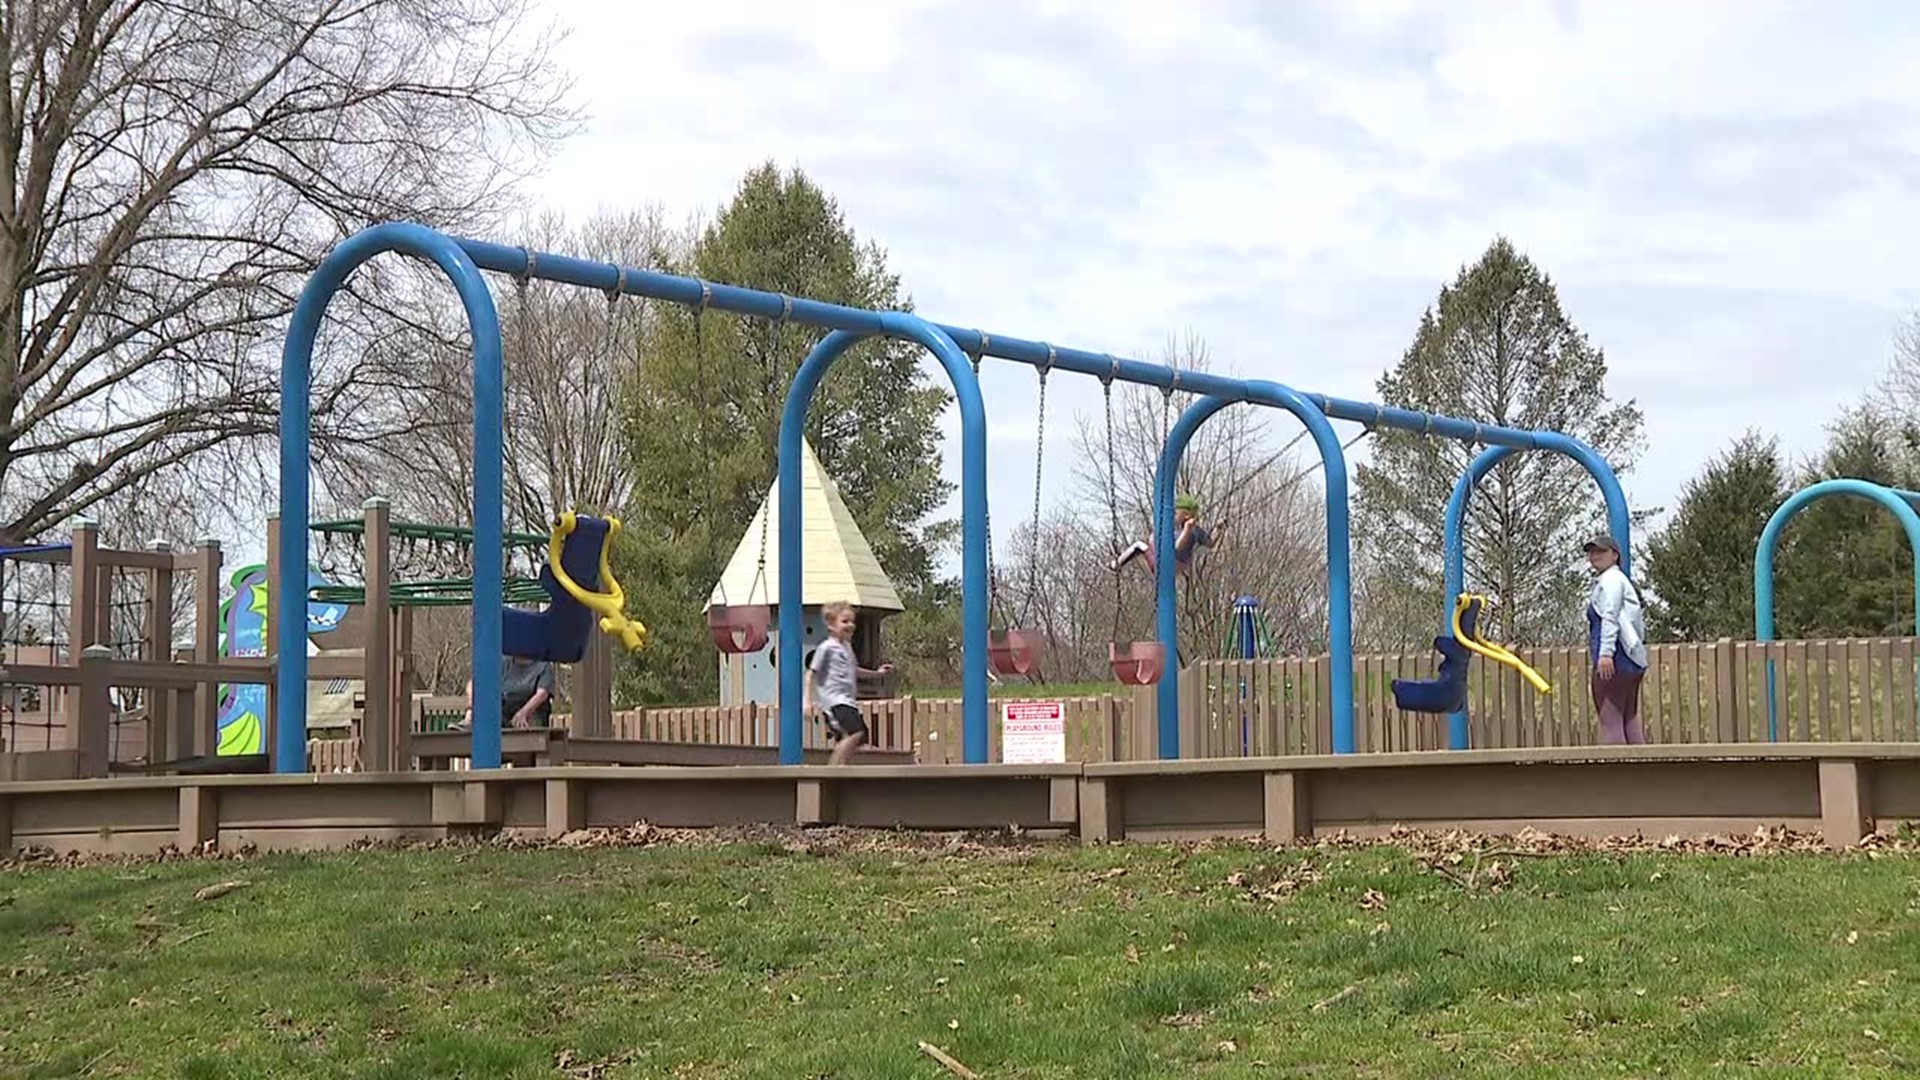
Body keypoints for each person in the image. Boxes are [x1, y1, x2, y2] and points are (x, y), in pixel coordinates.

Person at [804, 600, 894, 766]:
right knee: (855, 733)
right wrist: (807, 701)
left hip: (848, 702)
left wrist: (878, 673)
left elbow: (855, 670)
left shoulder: (846, 647)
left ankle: (840, 766)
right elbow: (811, 674)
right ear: (831, 624)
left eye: (852, 621)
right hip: (834, 702)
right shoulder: (826, 648)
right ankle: (834, 768)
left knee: (859, 737)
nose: (850, 625)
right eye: (845, 621)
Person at [1584, 533, 1649, 745]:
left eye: (1601, 551)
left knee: (1610, 717)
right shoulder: (1620, 580)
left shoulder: (1611, 581)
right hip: (1631, 658)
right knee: (1628, 718)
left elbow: (1610, 617)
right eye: (1592, 552)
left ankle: (1619, 773)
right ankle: (1641, 771)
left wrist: (1605, 654)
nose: (1595, 555)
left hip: (1616, 658)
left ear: (1614, 555)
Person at [1109, 494, 1227, 574]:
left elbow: (1177, 548)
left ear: (1185, 515)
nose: (1173, 516)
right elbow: (1210, 543)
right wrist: (1218, 529)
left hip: (1166, 565)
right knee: (1156, 538)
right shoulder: (1194, 531)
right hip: (1177, 566)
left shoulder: (1191, 531)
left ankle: (1117, 564)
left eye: (1176, 513)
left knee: (1138, 545)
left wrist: (1187, 529)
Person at [453, 653, 557, 732]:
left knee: (529, 730)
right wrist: (472, 703)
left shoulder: (543, 666)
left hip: (531, 711)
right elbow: (474, 683)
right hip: (505, 710)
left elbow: (542, 694)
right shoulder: (503, 663)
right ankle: (469, 720)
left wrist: (524, 712)